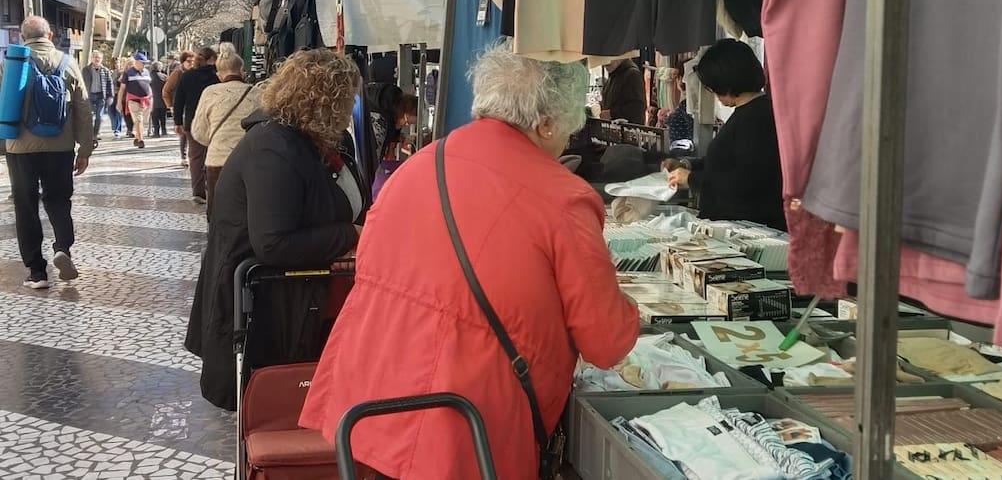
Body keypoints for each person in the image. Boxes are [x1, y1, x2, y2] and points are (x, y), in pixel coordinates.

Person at [300, 43, 639, 480]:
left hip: (370, 407)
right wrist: (629, 310)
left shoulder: (417, 166)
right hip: (466, 427)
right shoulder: (563, 198)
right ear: (547, 122)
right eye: (567, 130)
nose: (566, 142)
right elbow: (607, 342)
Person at [184, 48, 367, 410]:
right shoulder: (273, 148)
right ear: (324, 100)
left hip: (307, 302)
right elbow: (274, 243)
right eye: (347, 99)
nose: (352, 110)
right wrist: (352, 235)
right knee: (280, 410)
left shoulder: (320, 142)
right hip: (270, 315)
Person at [2, 17, 93, 288]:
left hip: (20, 148)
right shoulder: (68, 62)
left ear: (21, 36)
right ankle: (62, 247)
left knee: (25, 206)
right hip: (60, 147)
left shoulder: (11, 63)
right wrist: (85, 149)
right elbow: (83, 109)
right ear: (50, 35)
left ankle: (37, 272)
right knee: (58, 200)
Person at [666, 38, 786, 230]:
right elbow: (725, 161)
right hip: (735, 224)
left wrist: (691, 178)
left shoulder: (758, 118)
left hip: (748, 228)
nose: (713, 92)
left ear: (725, 82)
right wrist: (687, 164)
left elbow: (745, 180)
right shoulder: (749, 112)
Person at [190, 44, 262, 219]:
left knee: (217, 211)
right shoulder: (257, 93)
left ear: (219, 74)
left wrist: (215, 141)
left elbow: (198, 131)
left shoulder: (210, 93)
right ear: (241, 70)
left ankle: (216, 242)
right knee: (247, 210)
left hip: (217, 160)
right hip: (249, 160)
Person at [173, 47, 217, 204]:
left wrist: (177, 122)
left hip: (192, 121)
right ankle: (213, 189)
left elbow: (178, 101)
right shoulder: (217, 76)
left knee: (196, 156)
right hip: (214, 120)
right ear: (212, 59)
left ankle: (198, 191)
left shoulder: (187, 76)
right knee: (214, 154)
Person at [163, 50, 193, 165]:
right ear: (183, 62)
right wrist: (170, 106)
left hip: (192, 105)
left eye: (193, 61)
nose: (191, 63)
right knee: (184, 132)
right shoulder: (178, 73)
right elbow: (166, 90)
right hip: (180, 105)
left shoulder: (195, 72)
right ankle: (184, 156)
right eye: (188, 61)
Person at [120, 53, 153, 149]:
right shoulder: (128, 73)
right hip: (133, 100)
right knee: (139, 120)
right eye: (142, 62)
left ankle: (137, 135)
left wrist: (151, 96)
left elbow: (148, 85)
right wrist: (119, 102)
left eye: (145, 63)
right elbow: (122, 88)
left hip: (146, 100)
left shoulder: (147, 72)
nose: (144, 64)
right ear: (137, 62)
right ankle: (141, 140)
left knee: (143, 121)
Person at [80, 51, 113, 148]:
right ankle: (89, 134)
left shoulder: (105, 70)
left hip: (100, 96)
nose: (97, 59)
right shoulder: (86, 70)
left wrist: (110, 96)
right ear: (92, 58)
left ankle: (95, 134)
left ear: (101, 59)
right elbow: (81, 82)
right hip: (89, 96)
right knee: (89, 116)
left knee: (99, 117)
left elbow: (109, 83)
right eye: (95, 57)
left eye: (99, 57)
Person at [600, 57, 647, 125]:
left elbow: (637, 108)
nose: (605, 63)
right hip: (617, 129)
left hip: (628, 131)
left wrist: (612, 113)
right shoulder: (614, 76)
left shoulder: (632, 74)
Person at [149, 60, 168, 137]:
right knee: (163, 116)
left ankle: (156, 132)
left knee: (155, 117)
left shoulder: (149, 76)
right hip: (163, 99)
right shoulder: (164, 77)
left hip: (153, 99)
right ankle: (164, 130)